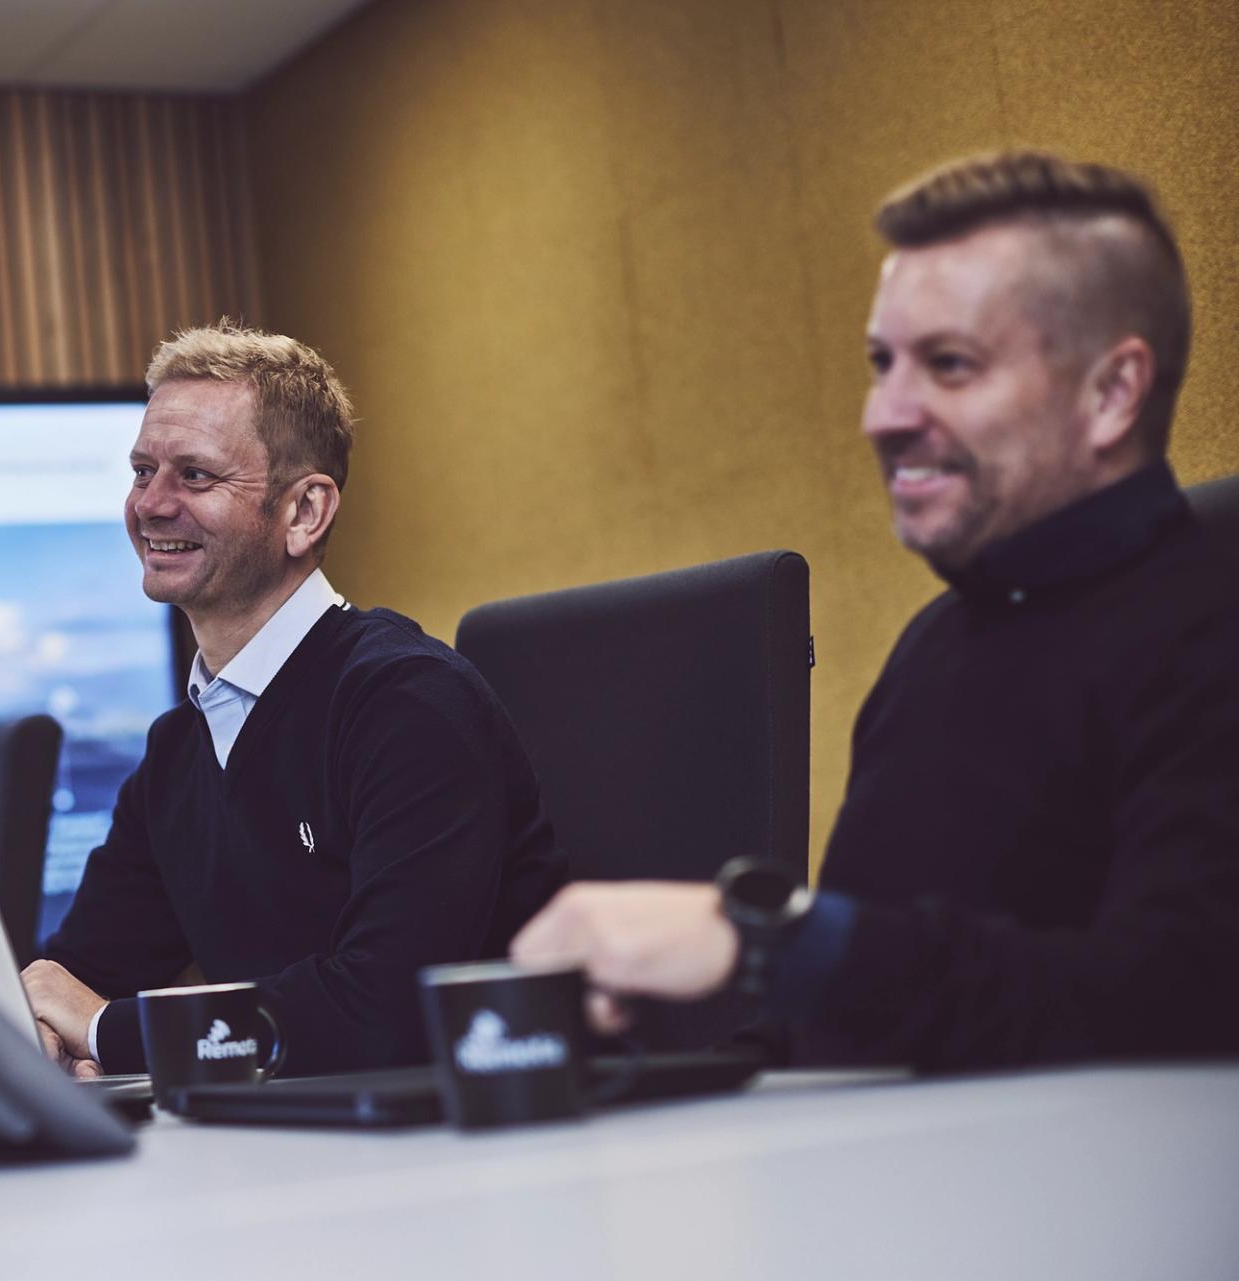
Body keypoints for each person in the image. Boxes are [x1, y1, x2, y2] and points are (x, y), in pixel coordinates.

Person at [513, 151, 1239, 1071]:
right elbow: (865, 1011)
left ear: (1112, 393)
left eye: (949, 364)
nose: (883, 415)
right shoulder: (938, 643)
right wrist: (670, 1072)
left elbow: (1173, 1000)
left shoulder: (1212, 620)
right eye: (881, 363)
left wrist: (764, 940)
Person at [22, 321, 565, 1078]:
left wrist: (111, 1034)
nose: (151, 503)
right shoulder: (179, 749)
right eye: (142, 470)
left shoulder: (408, 704)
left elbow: (385, 1009)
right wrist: (46, 1030)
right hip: (288, 1154)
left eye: (196, 476)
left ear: (304, 512)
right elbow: (72, 981)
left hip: (478, 1155)